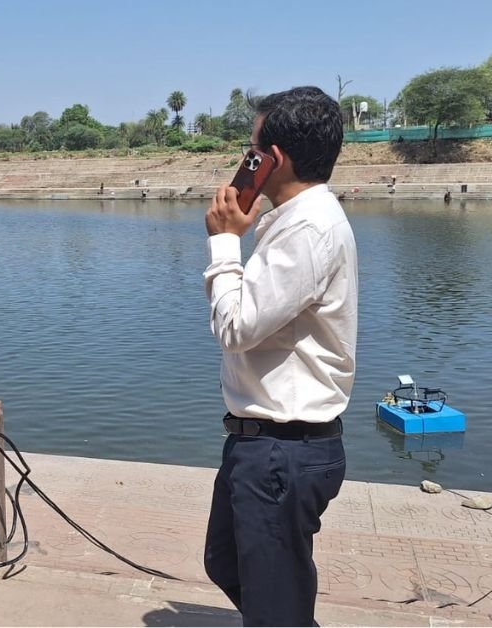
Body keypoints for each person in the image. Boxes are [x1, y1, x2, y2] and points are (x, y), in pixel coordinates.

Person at [202, 85, 356, 626]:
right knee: (226, 562)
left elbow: (236, 327)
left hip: (283, 449)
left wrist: (224, 242)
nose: (245, 162)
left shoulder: (308, 228)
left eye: (252, 151)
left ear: (273, 158)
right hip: (265, 444)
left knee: (274, 610)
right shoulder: (292, 221)